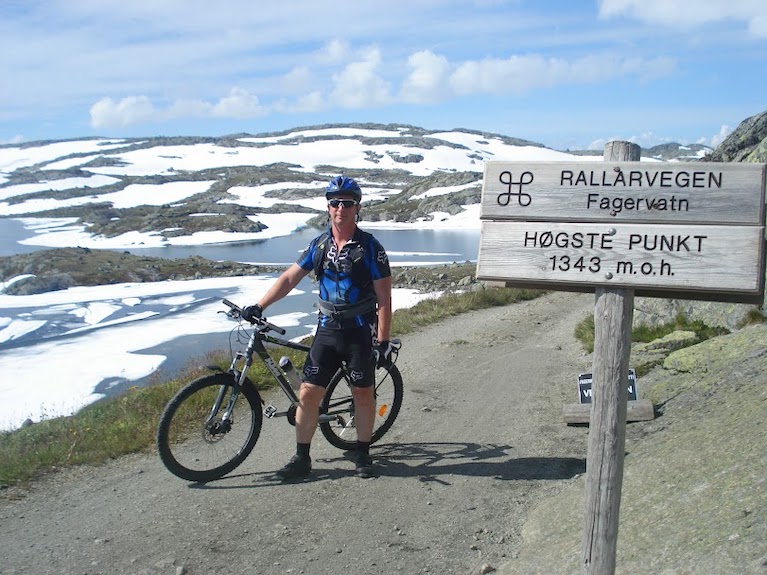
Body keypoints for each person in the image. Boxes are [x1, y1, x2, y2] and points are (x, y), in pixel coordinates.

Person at [241, 175, 396, 480]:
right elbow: (289, 278)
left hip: (359, 331)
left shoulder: (370, 248)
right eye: (335, 202)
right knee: (309, 393)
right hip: (326, 330)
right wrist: (260, 306)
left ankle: (363, 453)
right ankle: (302, 458)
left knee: (363, 395)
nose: (341, 208)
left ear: (357, 207)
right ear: (328, 207)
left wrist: (383, 340)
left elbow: (384, 298)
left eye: (347, 203)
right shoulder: (320, 244)